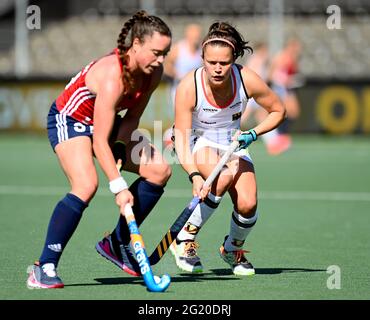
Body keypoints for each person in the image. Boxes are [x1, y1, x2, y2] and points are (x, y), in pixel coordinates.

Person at [26, 10, 172, 289]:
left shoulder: (154, 72)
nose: (161, 60)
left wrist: (120, 147)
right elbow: (98, 142)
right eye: (156, 52)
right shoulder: (112, 76)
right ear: (137, 44)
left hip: (104, 125)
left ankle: (117, 244)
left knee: (159, 169)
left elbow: (130, 118)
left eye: (165, 52)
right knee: (86, 184)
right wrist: (119, 187)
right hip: (71, 119)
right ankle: (43, 267)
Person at [170, 22, 285, 276]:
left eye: (224, 62)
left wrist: (253, 133)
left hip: (234, 142)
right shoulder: (189, 86)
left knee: (247, 203)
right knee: (220, 177)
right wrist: (195, 175)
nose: (217, 68)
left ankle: (232, 249)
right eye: (211, 62)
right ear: (202, 58)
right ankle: (184, 240)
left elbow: (279, 110)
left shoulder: (246, 79)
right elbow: (180, 139)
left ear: (234, 59)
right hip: (199, 141)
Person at [242, 42, 291, 155]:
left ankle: (273, 142)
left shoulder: (258, 60)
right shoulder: (257, 60)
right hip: (253, 92)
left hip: (254, 92)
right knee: (244, 117)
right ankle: (273, 142)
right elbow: (260, 76)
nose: (266, 53)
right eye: (264, 50)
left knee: (262, 117)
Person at [162, 23, 203, 147]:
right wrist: (179, 75)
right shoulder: (178, 49)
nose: (196, 37)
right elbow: (166, 65)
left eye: (198, 35)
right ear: (188, 35)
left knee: (196, 117)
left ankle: (190, 142)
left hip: (196, 91)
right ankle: (171, 138)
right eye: (193, 35)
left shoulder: (201, 50)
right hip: (179, 89)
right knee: (181, 116)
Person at [269, 38, 303, 140]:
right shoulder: (282, 57)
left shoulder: (293, 58)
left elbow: (294, 72)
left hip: (287, 87)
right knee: (286, 111)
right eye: (296, 47)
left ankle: (282, 134)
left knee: (294, 112)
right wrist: (286, 80)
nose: (298, 50)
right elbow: (272, 74)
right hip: (280, 87)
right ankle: (280, 135)